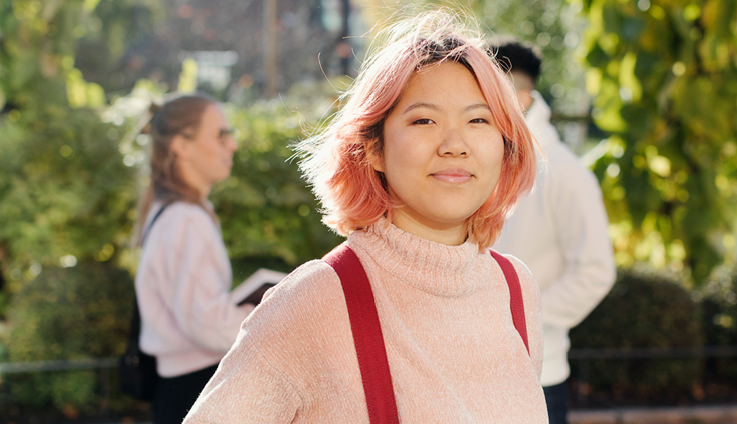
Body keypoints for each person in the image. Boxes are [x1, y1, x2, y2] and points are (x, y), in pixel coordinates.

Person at [183, 10, 548, 423]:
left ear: (505, 145)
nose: (455, 144)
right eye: (424, 119)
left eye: (478, 120)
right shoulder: (317, 301)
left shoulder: (516, 289)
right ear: (372, 147)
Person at [491, 40, 617, 423]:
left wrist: (522, 320)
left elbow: (596, 270)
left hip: (536, 377)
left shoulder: (563, 171)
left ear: (524, 99)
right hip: (467, 374)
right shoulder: (479, 162)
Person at [133, 93, 255, 424]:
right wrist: (265, 314)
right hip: (195, 388)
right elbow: (207, 325)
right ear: (181, 145)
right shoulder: (186, 219)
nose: (232, 145)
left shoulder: (168, 213)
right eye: (220, 135)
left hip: (180, 388)